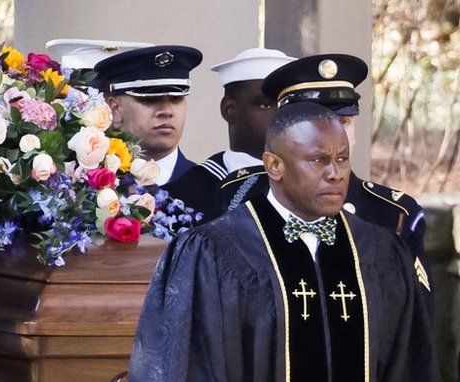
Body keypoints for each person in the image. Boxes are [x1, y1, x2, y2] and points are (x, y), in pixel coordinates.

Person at [115, 102, 443, 382]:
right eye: (317, 160)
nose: (335, 173)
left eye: (342, 159)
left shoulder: (378, 253)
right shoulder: (216, 252)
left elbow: (405, 375)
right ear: (274, 166)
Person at [218, 54, 431, 299]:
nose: (333, 135)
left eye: (344, 122)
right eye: (316, 124)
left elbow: (414, 323)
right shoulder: (238, 194)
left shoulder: (394, 214)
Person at [166, 48, 294, 222]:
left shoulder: (317, 182)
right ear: (229, 110)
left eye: (287, 104)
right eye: (265, 105)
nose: (280, 115)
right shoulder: (185, 193)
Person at [94, 45, 203, 185]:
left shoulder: (213, 190)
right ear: (115, 109)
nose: (167, 111)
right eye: (150, 99)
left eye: (176, 98)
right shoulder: (89, 186)